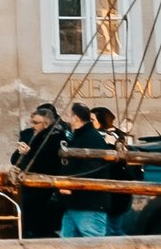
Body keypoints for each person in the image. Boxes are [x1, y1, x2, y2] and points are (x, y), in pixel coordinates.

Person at [11, 101, 68, 239]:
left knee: (43, 226)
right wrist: (21, 153)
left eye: (36, 123)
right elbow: (15, 160)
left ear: (46, 123)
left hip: (46, 188)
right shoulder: (27, 135)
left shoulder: (56, 137)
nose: (33, 126)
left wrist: (29, 153)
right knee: (29, 223)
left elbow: (49, 162)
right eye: (32, 122)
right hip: (29, 187)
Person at [61, 105, 117, 238]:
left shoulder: (90, 137)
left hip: (89, 203)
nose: (68, 120)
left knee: (95, 247)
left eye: (70, 116)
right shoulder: (81, 136)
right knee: (66, 247)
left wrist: (71, 185)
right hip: (77, 202)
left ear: (75, 118)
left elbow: (91, 169)